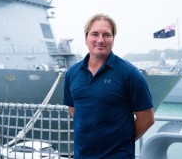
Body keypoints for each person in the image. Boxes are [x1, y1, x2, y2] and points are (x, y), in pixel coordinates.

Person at [64, 13, 154, 159]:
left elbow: (147, 118)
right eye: (95, 34)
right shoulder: (72, 73)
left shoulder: (130, 74)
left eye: (106, 35)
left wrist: (121, 143)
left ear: (113, 39)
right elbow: (75, 110)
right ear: (86, 38)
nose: (100, 40)